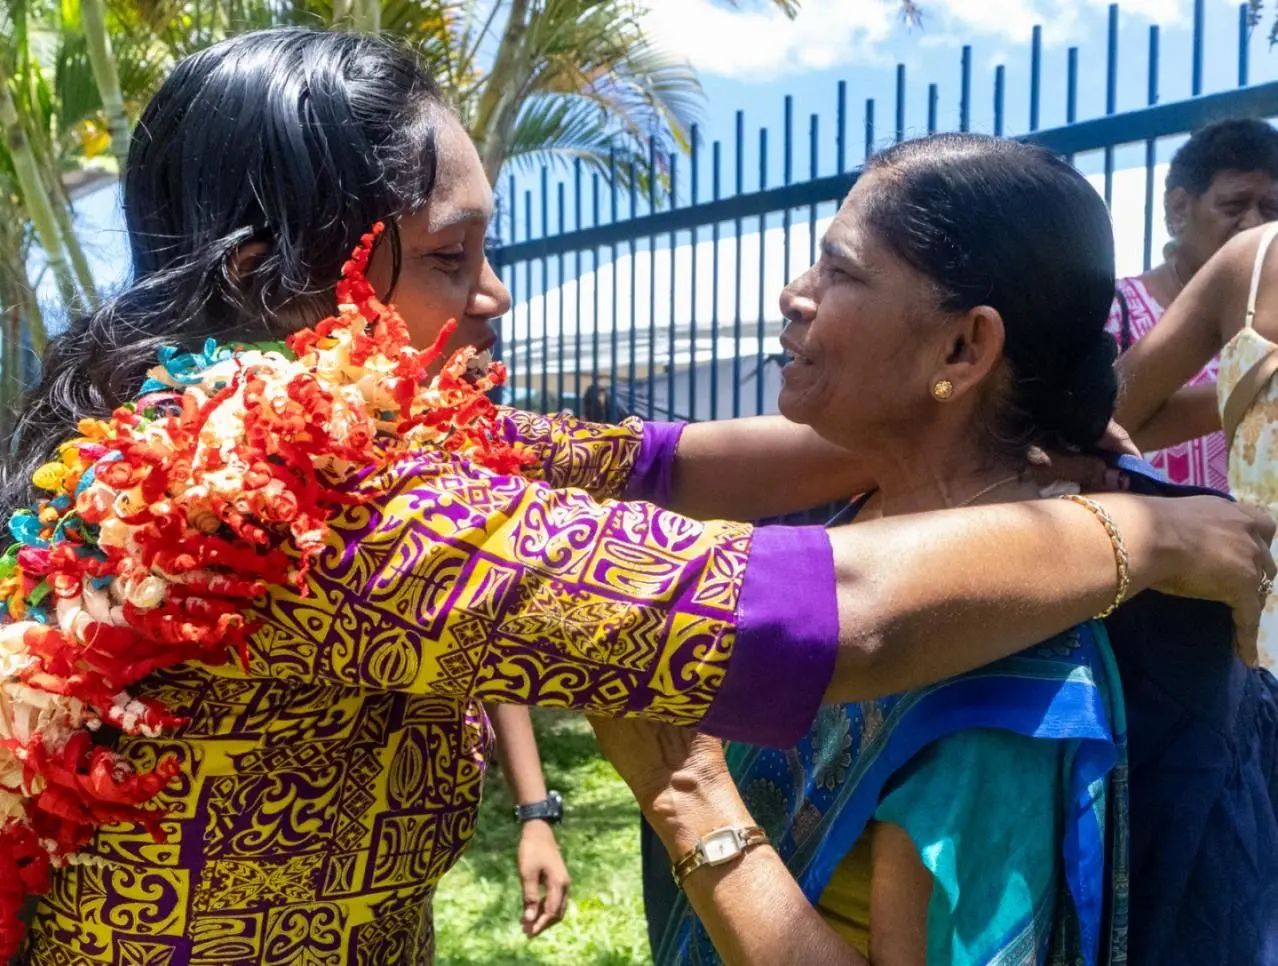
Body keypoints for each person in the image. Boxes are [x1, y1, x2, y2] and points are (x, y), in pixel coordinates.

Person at [0, 31, 1270, 966]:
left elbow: (665, 464)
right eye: (452, 257)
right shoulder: (298, 493)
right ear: (273, 278)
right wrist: (1146, 532)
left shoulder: (280, 429)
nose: (492, 294)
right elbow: (836, 615)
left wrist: (966, 422)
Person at [607, 134, 1272, 966]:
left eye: (839, 270)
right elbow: (646, 463)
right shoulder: (860, 515)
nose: (793, 293)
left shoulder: (1003, 684)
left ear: (963, 348)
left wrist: (692, 800)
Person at [1107, 118, 1278, 490]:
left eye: (1271, 209)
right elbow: (1093, 428)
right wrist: (1254, 384)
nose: (1253, 224)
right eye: (1234, 205)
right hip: (1150, 544)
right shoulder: (1113, 312)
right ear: (1178, 210)